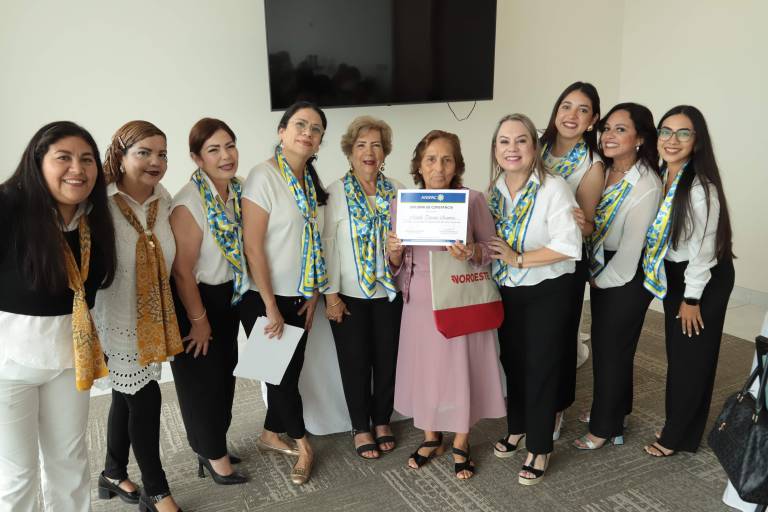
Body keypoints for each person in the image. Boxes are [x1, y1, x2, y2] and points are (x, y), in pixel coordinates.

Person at [0, 121, 116, 511]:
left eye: (87, 159)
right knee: (17, 475)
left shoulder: (94, 218)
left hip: (70, 360)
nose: (77, 169)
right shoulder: (9, 207)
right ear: (37, 162)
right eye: (63, 158)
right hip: (8, 366)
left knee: (69, 463)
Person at [387, 129, 505, 480]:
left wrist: (472, 252)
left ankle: (461, 441)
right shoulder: (402, 204)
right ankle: (431, 437)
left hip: (458, 297)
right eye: (431, 159)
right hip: (420, 301)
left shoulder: (473, 200)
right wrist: (393, 253)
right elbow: (395, 262)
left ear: (457, 165)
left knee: (459, 370)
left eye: (446, 159)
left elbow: (492, 248)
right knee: (427, 371)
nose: (438, 167)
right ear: (418, 165)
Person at [95, 121, 184, 512]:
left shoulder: (163, 198)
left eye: (162, 154)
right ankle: (157, 491)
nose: (155, 161)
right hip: (114, 321)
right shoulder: (100, 204)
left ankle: (113, 473)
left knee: (126, 393)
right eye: (144, 153)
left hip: (151, 319)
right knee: (145, 399)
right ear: (121, 155)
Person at [487, 114, 582, 485]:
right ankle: (518, 426)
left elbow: (568, 245)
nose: (512, 148)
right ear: (495, 149)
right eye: (504, 141)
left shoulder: (553, 187)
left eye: (521, 140)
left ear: (535, 146)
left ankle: (540, 446)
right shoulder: (494, 190)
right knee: (512, 362)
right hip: (507, 289)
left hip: (547, 290)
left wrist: (518, 258)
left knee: (541, 367)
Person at [241, 100, 329, 485]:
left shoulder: (310, 182)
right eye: (300, 125)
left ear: (320, 142)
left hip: (300, 295)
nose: (307, 133)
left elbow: (314, 242)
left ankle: (269, 434)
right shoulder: (263, 176)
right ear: (282, 131)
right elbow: (253, 247)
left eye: (316, 129)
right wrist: (270, 307)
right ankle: (304, 445)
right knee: (281, 379)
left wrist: (313, 293)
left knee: (287, 372)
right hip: (265, 298)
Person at [642, 105, 735, 457]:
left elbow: (705, 251)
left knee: (690, 359)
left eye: (683, 133)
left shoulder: (700, 188)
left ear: (697, 142)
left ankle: (675, 436)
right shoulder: (661, 176)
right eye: (666, 131)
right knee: (681, 354)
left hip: (702, 278)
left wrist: (692, 298)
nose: (672, 139)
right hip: (677, 274)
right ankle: (682, 427)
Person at [572, 103, 662, 450]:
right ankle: (617, 410)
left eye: (620, 129)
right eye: (607, 128)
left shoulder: (646, 184)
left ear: (640, 138)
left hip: (626, 274)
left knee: (611, 350)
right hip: (602, 264)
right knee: (613, 346)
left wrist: (596, 280)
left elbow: (630, 252)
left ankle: (604, 427)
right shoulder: (604, 170)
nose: (609, 135)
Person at [169, 118, 248, 484]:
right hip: (196, 300)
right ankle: (213, 455)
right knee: (202, 383)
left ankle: (214, 444)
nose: (225, 155)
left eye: (229, 146)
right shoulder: (190, 202)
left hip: (230, 294)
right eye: (213, 150)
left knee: (224, 376)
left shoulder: (238, 191)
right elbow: (182, 271)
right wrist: (199, 321)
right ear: (197, 158)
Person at [322, 116, 404, 459]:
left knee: (387, 360)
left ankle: (382, 420)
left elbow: (406, 248)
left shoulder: (397, 190)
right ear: (350, 152)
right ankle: (360, 426)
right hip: (348, 296)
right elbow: (325, 248)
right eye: (361, 145)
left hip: (389, 294)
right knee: (354, 363)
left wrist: (397, 255)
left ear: (384, 152)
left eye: (376, 145)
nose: (369, 152)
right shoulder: (334, 193)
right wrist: (331, 296)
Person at [539, 81, 604, 438]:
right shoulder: (536, 147)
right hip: (525, 259)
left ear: (592, 120)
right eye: (566, 106)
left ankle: (556, 409)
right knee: (529, 337)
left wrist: (579, 220)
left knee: (559, 340)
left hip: (564, 265)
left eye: (583, 110)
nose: (572, 115)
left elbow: (589, 227)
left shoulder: (592, 165)